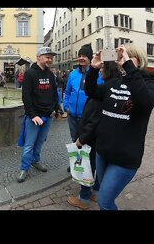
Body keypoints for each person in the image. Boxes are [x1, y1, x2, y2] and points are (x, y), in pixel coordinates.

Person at [85, 43, 154, 210]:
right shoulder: (115, 82)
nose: (121, 59)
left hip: (125, 159)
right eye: (120, 56)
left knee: (104, 201)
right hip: (103, 152)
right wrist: (94, 69)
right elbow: (91, 92)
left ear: (138, 60)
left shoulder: (149, 83)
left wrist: (128, 66)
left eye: (126, 55)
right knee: (104, 193)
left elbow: (145, 102)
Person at [67, 61, 122, 210]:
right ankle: (95, 192)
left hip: (92, 138)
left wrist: (82, 138)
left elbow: (94, 120)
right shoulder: (113, 88)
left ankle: (84, 198)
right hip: (102, 138)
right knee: (97, 166)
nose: (100, 71)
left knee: (88, 166)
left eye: (102, 68)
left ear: (108, 71)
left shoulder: (104, 90)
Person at [17, 46, 59, 183]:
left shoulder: (50, 74)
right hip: (34, 117)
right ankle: (24, 168)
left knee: (40, 141)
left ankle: (36, 161)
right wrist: (33, 115)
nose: (50, 59)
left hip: (48, 116)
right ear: (39, 57)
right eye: (47, 57)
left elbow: (54, 93)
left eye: (51, 57)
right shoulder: (30, 74)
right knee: (29, 144)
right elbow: (26, 97)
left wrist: (55, 109)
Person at [63, 44, 103, 142]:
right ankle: (76, 158)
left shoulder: (97, 74)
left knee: (87, 142)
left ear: (90, 58)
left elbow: (99, 95)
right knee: (74, 140)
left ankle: (87, 158)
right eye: (80, 56)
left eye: (84, 56)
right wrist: (66, 106)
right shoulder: (73, 74)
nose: (81, 58)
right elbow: (67, 92)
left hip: (87, 117)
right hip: (72, 115)